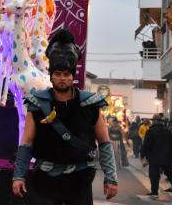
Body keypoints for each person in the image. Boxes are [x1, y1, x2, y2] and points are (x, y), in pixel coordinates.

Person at [12, 28, 118, 204]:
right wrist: (18, 176)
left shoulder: (90, 104)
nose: (62, 78)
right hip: (44, 181)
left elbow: (104, 142)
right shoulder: (37, 104)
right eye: (58, 74)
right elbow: (26, 142)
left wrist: (111, 177)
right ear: (51, 76)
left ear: (72, 77)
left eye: (66, 74)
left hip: (79, 180)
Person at [141, 114, 172, 198]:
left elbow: (146, 145)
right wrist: (171, 154)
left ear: (154, 121)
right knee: (169, 172)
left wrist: (143, 156)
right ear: (161, 122)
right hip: (167, 158)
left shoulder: (150, 131)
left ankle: (154, 192)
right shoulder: (168, 131)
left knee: (154, 174)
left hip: (154, 158)